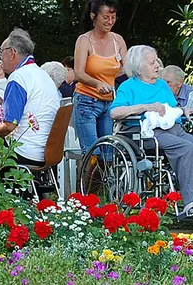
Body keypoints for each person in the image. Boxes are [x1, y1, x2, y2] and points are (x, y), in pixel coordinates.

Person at [110, 45, 193, 219]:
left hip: (173, 128)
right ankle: (190, 203)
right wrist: (145, 107)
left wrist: (183, 109)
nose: (158, 65)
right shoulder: (128, 87)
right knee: (186, 148)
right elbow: (114, 112)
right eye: (152, 62)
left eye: (157, 61)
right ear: (139, 67)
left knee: (188, 143)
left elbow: (171, 108)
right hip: (145, 133)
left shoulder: (162, 85)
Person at [0, 28, 60, 166]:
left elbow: (9, 126)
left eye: (1, 52)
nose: (0, 59)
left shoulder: (17, 77)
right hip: (50, 152)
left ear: (12, 53)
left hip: (24, 152)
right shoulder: (42, 74)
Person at [73, 0, 127, 154]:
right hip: (86, 101)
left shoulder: (118, 41)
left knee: (109, 153)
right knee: (92, 152)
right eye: (105, 17)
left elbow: (129, 68)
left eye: (113, 17)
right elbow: (78, 73)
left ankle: (104, 179)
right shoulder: (84, 41)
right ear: (93, 16)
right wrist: (97, 83)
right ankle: (86, 179)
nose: (110, 21)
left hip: (109, 102)